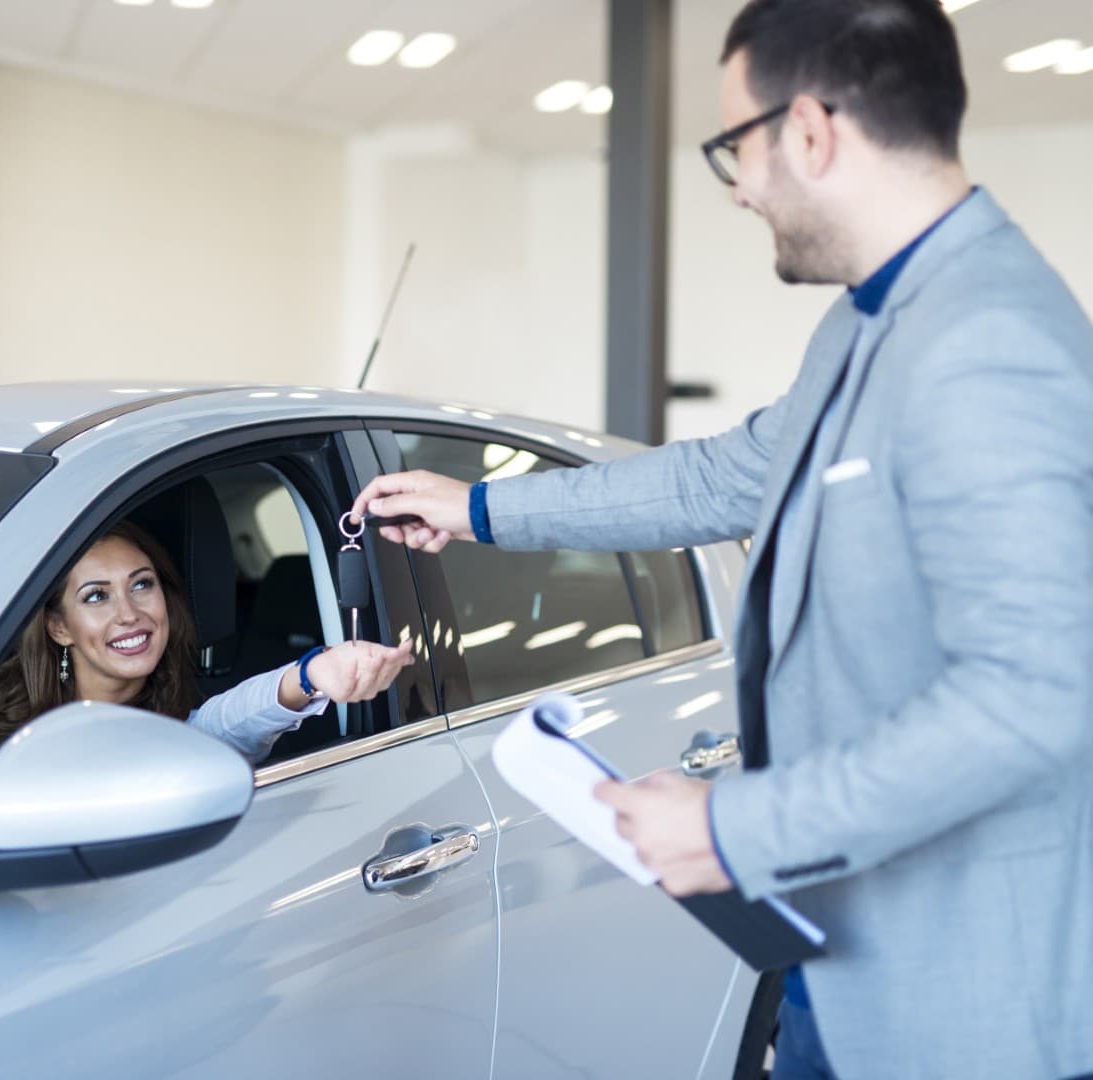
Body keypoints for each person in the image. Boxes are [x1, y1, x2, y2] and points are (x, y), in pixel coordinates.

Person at [351, 1, 1093, 1077]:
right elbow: (727, 474)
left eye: (732, 146)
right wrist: (479, 511)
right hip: (845, 958)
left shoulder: (985, 340)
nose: (739, 188)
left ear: (809, 131)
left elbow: (1036, 695)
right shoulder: (870, 321)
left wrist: (738, 828)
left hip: (963, 1005)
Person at [0, 521, 414, 764]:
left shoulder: (174, 733)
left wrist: (310, 674)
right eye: (96, 596)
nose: (128, 614)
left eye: (141, 585)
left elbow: (224, 722)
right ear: (58, 627)